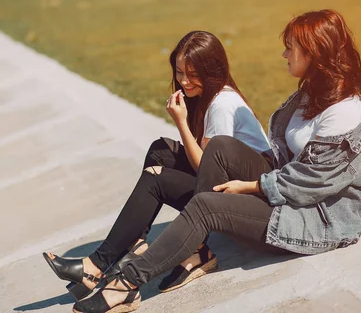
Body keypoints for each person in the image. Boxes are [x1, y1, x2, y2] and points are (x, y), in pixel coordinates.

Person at [72, 10, 361, 313]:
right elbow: (286, 159)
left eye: (290, 47)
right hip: (287, 191)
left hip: (316, 218)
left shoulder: (344, 113)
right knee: (218, 147)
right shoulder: (311, 94)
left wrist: (252, 186)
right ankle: (190, 248)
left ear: (313, 53)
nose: (284, 53)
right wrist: (256, 185)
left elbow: (312, 182)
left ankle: (125, 285)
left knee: (206, 205)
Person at [43, 30, 270, 300]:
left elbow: (206, 169)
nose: (184, 81)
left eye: (192, 74)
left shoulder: (222, 103)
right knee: (160, 150)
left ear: (212, 71)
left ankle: (97, 265)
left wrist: (181, 122)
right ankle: (135, 243)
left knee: (156, 178)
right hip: (225, 180)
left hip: (250, 198)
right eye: (179, 72)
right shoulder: (205, 98)